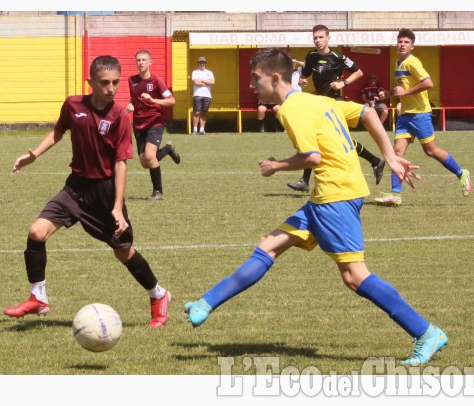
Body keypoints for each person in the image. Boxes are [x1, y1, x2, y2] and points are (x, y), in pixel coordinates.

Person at [184, 48, 448, 366]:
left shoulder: (290, 110)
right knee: (268, 246)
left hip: (334, 196)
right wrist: (390, 156)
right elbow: (366, 113)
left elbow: (313, 158)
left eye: (256, 79)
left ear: (275, 77)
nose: (252, 86)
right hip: (332, 192)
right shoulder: (316, 100)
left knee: (354, 275)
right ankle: (205, 303)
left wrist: (276, 165)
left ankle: (426, 332)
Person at [3, 55, 171, 328]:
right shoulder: (73, 104)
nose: (111, 88)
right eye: (104, 82)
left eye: (116, 82)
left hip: (105, 193)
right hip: (76, 187)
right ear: (90, 82)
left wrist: (117, 207)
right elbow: (58, 132)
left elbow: (121, 164)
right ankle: (38, 297)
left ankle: (159, 295)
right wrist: (33, 154)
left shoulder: (118, 116)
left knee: (123, 252)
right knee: (36, 232)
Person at [375, 28, 472, 206]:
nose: (402, 44)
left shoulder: (413, 62)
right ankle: (396, 194)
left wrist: (405, 92)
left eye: (406, 42)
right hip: (405, 115)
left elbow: (428, 83)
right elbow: (402, 89)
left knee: (431, 151)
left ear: (413, 46)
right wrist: (389, 93)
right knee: (397, 153)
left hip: (419, 114)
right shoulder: (398, 63)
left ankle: (461, 173)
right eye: (400, 41)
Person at [288, 24, 386, 192]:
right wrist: (302, 80)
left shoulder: (338, 57)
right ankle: (375, 161)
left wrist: (343, 82)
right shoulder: (311, 56)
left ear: (328, 38)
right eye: (315, 38)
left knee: (329, 140)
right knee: (317, 139)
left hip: (335, 104)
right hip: (319, 104)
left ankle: (376, 161)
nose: (318, 41)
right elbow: (304, 74)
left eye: (321, 37)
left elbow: (359, 72)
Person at [127, 50, 180, 201]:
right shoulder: (132, 80)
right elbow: (134, 98)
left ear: (150, 62)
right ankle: (168, 149)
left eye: (144, 60)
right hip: (138, 123)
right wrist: (130, 104)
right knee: (145, 163)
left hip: (155, 121)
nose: (141, 62)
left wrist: (153, 101)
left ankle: (158, 192)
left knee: (150, 156)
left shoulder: (157, 81)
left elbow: (171, 101)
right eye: (138, 60)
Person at [191, 56, 215, 134]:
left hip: (207, 95)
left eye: (203, 63)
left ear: (205, 64)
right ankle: (195, 129)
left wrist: (202, 80)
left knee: (204, 112)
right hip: (197, 94)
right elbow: (196, 82)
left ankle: (202, 130)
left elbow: (213, 82)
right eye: (200, 63)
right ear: (198, 63)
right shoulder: (195, 72)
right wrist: (207, 83)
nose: (202, 64)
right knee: (197, 112)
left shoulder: (209, 72)